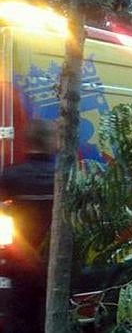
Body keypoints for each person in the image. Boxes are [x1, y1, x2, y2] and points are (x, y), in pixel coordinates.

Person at [0, 118, 56, 333]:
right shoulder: (63, 176)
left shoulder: (12, 175)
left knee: (22, 317)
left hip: (21, 261)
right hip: (57, 261)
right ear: (49, 141)